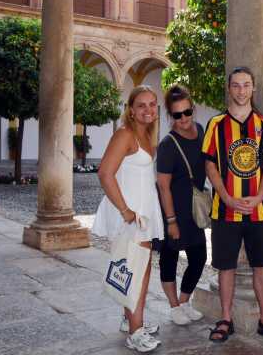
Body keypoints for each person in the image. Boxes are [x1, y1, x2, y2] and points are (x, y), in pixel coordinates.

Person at [202, 66, 263, 344]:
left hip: (258, 209)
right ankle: (225, 318)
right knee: (225, 266)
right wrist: (227, 197)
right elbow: (210, 165)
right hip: (224, 209)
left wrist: (259, 197)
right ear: (229, 89)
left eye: (246, 85)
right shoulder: (216, 125)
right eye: (236, 85)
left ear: (254, 89)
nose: (241, 90)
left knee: (261, 265)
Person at [93, 85, 165, 352]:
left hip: (142, 211)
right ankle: (136, 331)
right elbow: (105, 174)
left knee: (133, 266)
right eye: (142, 105)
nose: (148, 110)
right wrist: (125, 211)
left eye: (152, 104)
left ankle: (129, 319)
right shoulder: (125, 134)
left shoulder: (145, 134)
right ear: (131, 111)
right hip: (130, 215)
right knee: (139, 270)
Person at [156, 85, 207, 326]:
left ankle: (185, 301)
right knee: (170, 257)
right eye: (177, 115)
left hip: (194, 209)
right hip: (173, 208)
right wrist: (171, 221)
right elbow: (163, 186)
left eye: (187, 112)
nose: (184, 119)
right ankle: (174, 305)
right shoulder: (168, 144)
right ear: (170, 115)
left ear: (192, 109)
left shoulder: (200, 130)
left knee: (199, 257)